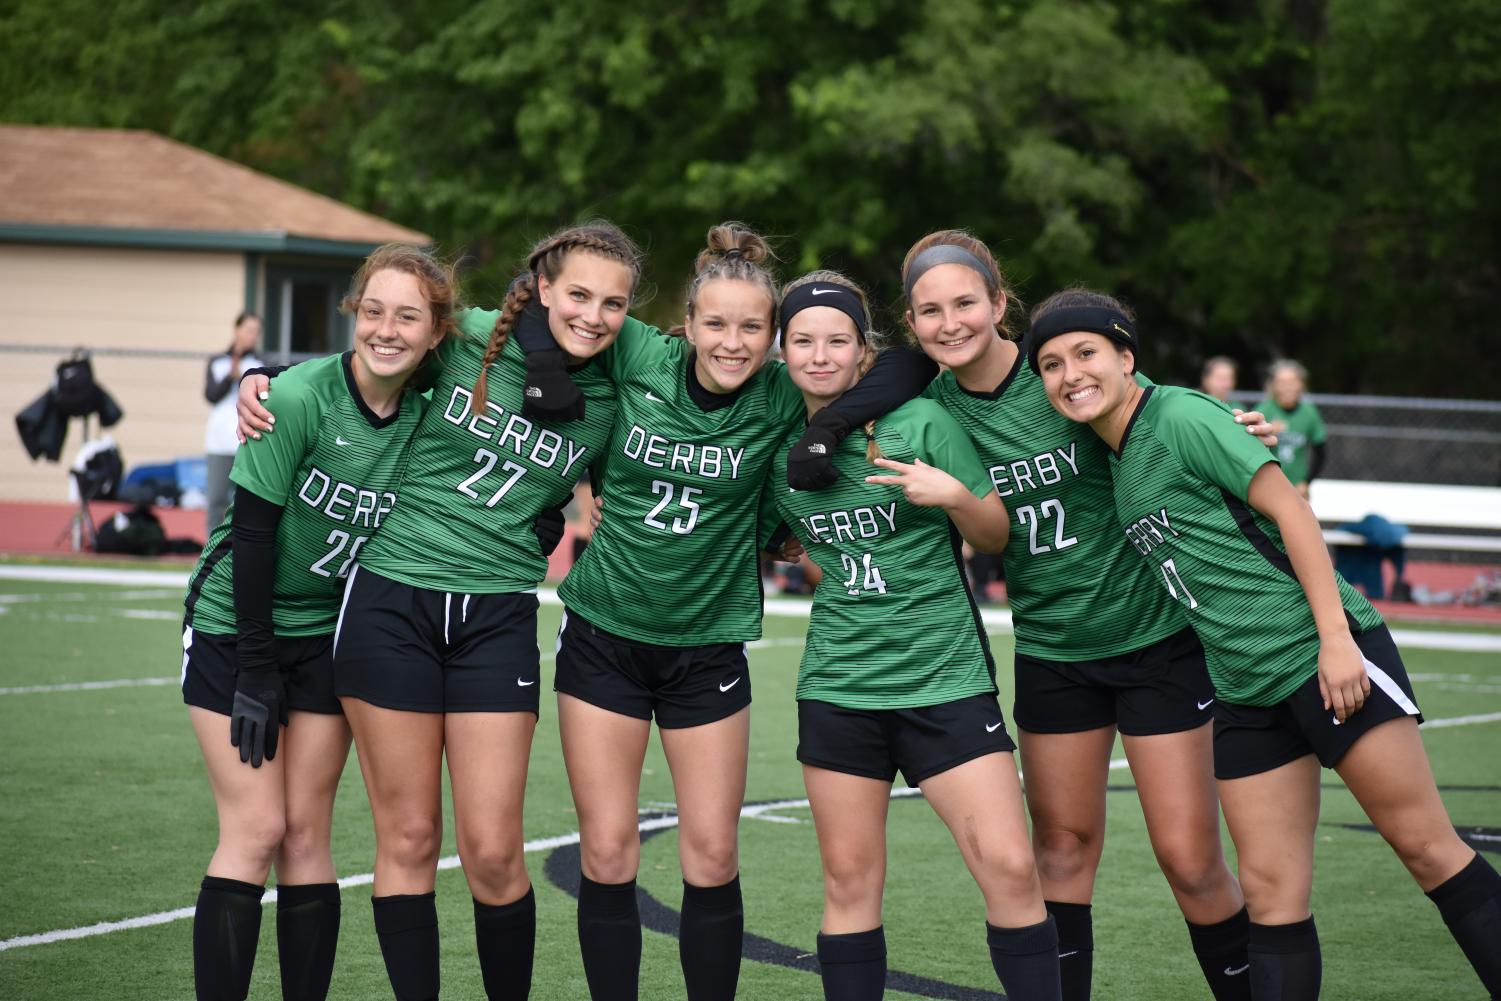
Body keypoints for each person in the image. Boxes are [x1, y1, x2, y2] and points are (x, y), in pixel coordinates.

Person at [1029, 289, 1501, 1001]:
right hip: (1242, 690)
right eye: (1050, 363)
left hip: (1319, 656)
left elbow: (1291, 511)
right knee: (1271, 893)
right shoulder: (1116, 456)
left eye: (1086, 353)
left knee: (1426, 848)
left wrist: (1335, 641)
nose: (1070, 373)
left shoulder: (1181, 415)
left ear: (1126, 357)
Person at [824, 232, 1258, 1000]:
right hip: (1053, 649)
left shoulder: (1061, 368)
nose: (949, 322)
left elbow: (1156, 416)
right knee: (1058, 849)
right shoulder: (925, 408)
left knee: (1191, 860)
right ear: (911, 322)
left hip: (1153, 638)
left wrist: (1227, 433)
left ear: (1000, 303)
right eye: (929, 311)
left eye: (965, 303)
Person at [516, 222, 927, 1001]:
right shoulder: (640, 354)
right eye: (714, 323)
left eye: (751, 327)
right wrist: (542, 363)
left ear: (773, 336)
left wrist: (831, 424)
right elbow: (536, 301)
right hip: (604, 635)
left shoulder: (781, 391)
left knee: (710, 854)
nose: (732, 343)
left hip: (706, 647)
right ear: (686, 324)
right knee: (606, 852)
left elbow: (904, 362)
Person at [239, 221, 642, 1001]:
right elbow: (372, 354)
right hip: (392, 602)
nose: (592, 315)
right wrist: (261, 373)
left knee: (493, 850)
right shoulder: (468, 338)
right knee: (411, 837)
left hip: (496, 616)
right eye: (577, 295)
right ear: (543, 289)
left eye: (613, 302)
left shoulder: (619, 384)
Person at [771, 270, 1061, 1001]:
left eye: (837, 340)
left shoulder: (922, 422)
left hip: (945, 679)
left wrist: (955, 495)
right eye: (801, 341)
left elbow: (994, 531)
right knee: (848, 881)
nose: (819, 355)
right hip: (839, 686)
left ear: (863, 351)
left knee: (1009, 865)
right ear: (781, 351)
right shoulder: (773, 441)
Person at [182, 244, 455, 1001]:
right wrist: (255, 667)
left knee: (307, 835)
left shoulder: (433, 407)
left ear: (437, 331)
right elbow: (255, 538)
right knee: (258, 829)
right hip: (238, 625)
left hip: (332, 634)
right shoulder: (299, 397)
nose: (386, 330)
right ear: (351, 314)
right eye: (373, 311)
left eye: (408, 316)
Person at [204, 313, 263, 532]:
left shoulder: (259, 364)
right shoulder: (217, 361)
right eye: (249, 330)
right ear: (236, 329)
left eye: (256, 332)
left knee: (243, 503)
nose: (252, 336)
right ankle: (209, 554)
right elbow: (211, 395)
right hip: (218, 441)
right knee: (216, 500)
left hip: (246, 440)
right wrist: (231, 375)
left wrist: (241, 378)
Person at [1256, 360, 1326, 498]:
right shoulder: (1263, 411)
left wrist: (1306, 482)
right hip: (1267, 485)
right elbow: (1248, 449)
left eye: (1292, 382)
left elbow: (1320, 453)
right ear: (1273, 386)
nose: (1287, 387)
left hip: (1297, 486)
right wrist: (1266, 435)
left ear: (1301, 384)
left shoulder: (1309, 413)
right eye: (1281, 382)